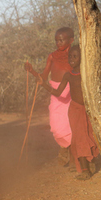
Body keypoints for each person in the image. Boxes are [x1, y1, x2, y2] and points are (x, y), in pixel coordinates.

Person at [39, 45, 99, 179]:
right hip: (75, 110)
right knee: (79, 138)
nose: (71, 59)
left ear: (82, 58)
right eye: (70, 57)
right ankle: (85, 170)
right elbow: (57, 92)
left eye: (75, 56)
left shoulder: (86, 74)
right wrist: (43, 84)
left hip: (88, 110)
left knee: (90, 136)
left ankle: (92, 160)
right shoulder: (68, 75)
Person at [25, 27, 74, 165]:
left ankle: (69, 152)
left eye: (61, 40)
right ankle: (66, 146)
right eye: (56, 40)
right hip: (56, 94)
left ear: (71, 40)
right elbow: (44, 77)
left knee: (72, 125)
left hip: (72, 93)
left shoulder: (75, 54)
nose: (58, 43)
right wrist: (32, 71)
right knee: (55, 126)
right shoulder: (52, 56)